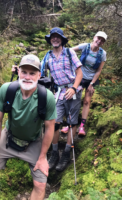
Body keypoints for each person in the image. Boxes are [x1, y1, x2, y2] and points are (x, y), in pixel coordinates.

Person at [0, 55, 56, 200]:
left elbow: (49, 128)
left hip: (34, 141)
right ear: (18, 72)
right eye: (24, 72)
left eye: (32, 73)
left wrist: (42, 157)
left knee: (40, 185)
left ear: (39, 75)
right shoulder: (7, 90)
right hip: (8, 137)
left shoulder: (46, 97)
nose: (27, 77)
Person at [42, 27, 83, 172]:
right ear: (50, 39)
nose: (55, 39)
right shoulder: (47, 57)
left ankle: (66, 152)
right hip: (58, 93)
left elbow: (79, 72)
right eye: (52, 37)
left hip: (73, 90)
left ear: (62, 39)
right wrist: (18, 71)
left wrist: (73, 88)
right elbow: (38, 72)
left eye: (57, 37)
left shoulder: (69, 52)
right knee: (54, 123)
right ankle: (54, 153)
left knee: (72, 122)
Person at [60, 31, 107, 137]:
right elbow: (70, 51)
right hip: (79, 77)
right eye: (98, 38)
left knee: (86, 102)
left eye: (102, 40)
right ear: (94, 37)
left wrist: (92, 83)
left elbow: (99, 71)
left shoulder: (102, 54)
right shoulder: (85, 46)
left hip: (92, 79)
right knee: (73, 100)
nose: (99, 41)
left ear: (103, 43)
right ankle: (69, 124)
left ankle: (82, 126)